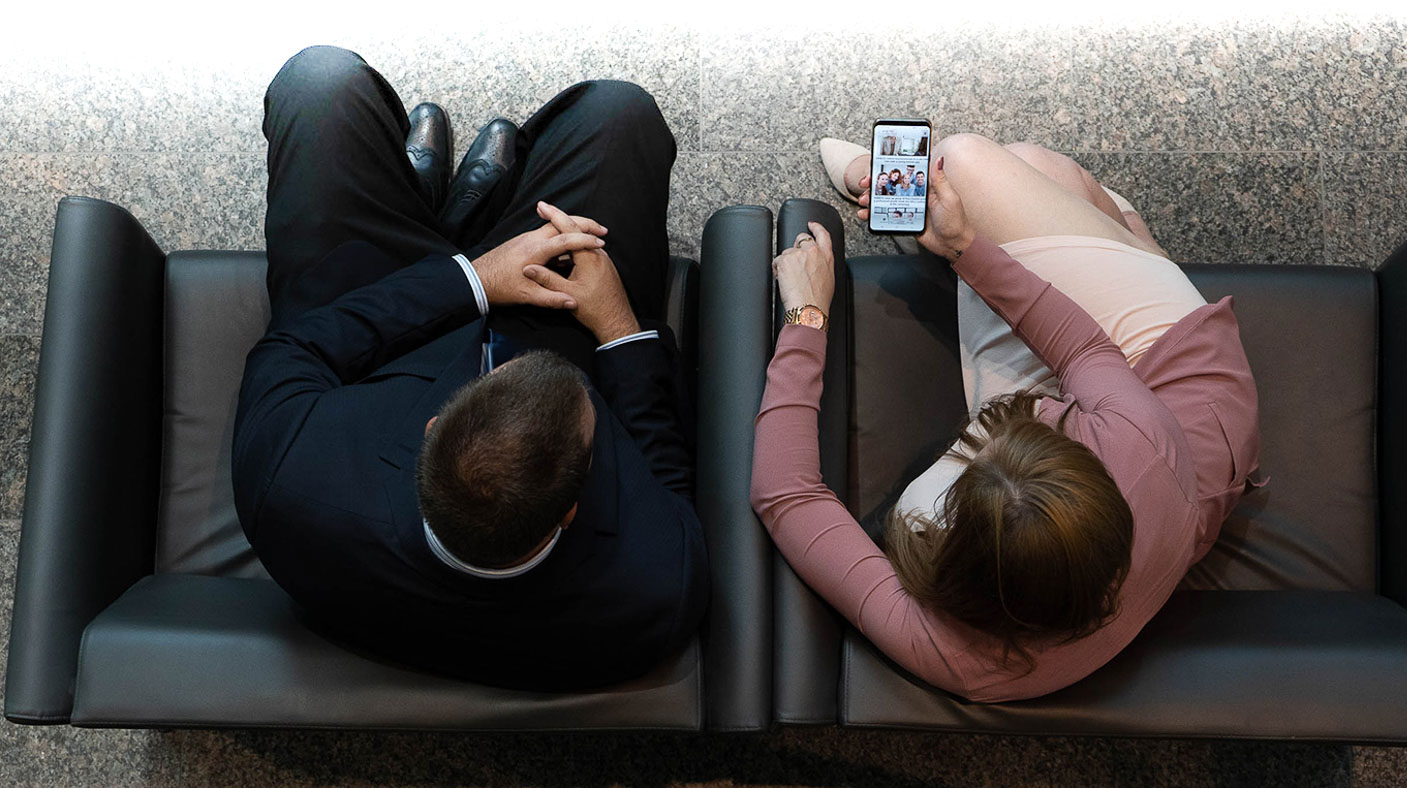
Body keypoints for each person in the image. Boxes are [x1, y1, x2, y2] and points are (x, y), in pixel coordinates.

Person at [234, 45, 708, 691]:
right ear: (574, 506)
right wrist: (620, 329)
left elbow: (294, 349)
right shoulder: (654, 590)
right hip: (571, 324)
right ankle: (466, 211)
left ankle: (445, 214)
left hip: (379, 325)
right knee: (617, 112)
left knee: (321, 81)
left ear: (433, 431)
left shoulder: (294, 485)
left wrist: (471, 280)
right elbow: (664, 477)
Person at [774, 134, 1261, 701]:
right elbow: (1083, 350)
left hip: (1142, 434)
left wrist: (804, 319)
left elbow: (788, 494)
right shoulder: (1141, 446)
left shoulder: (952, 654)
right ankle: (1123, 230)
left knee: (977, 165)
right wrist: (962, 246)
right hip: (1183, 390)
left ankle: (1120, 228)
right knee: (1024, 170)